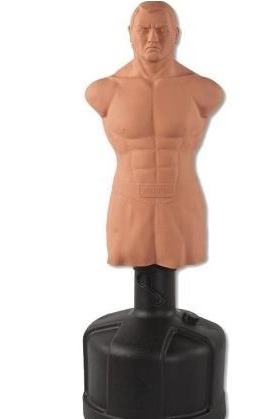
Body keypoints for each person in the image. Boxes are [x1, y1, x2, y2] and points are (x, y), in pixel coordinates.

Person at [86, 1, 224, 269]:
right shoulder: (104, 91)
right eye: (144, 29)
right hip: (129, 201)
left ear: (176, 34)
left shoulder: (203, 90)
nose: (152, 38)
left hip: (181, 199)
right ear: (130, 33)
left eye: (162, 30)